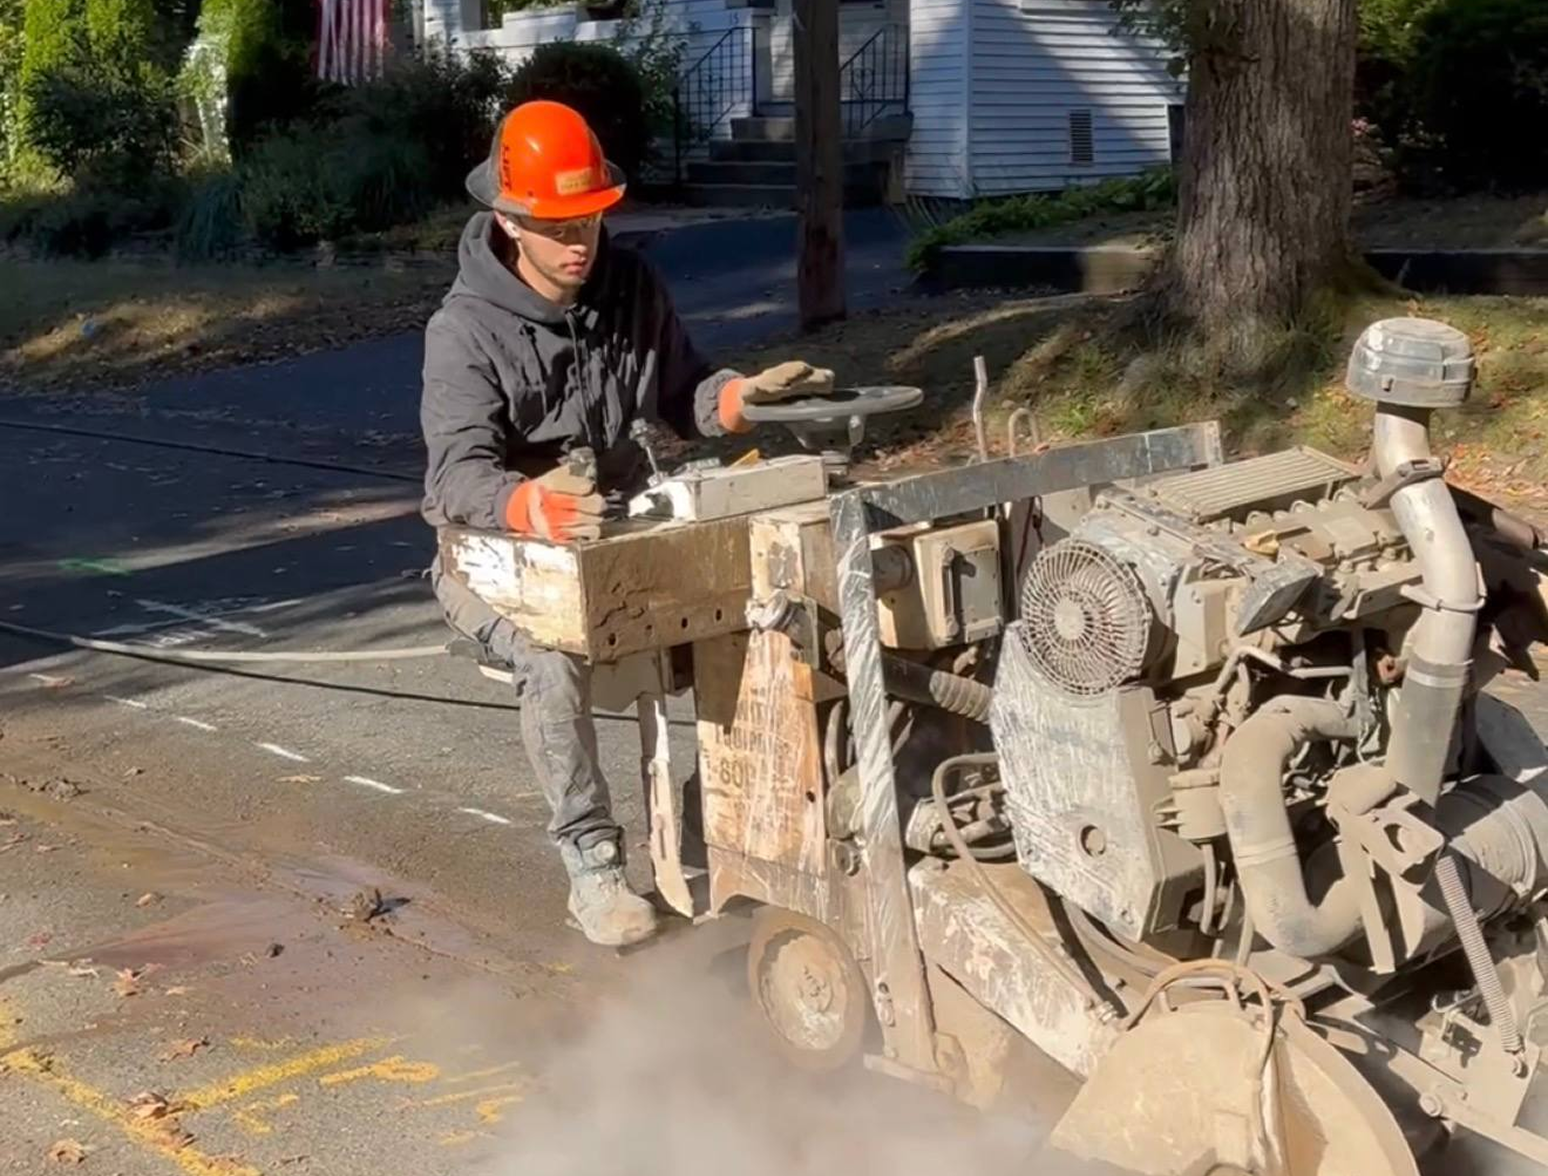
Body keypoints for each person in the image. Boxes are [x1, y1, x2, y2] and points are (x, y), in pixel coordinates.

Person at [420, 100, 836, 947]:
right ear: (509, 221)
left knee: (762, 621)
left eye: (593, 221)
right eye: (559, 225)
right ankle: (594, 867)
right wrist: (527, 505)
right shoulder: (462, 331)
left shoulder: (632, 287)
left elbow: (682, 389)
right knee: (549, 661)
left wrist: (740, 399)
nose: (581, 241)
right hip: (495, 560)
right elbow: (455, 475)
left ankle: (708, 827)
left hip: (617, 537)